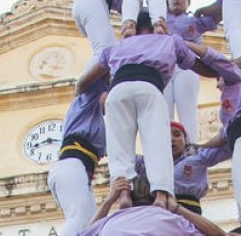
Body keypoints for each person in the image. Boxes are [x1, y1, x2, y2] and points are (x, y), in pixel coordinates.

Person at [75, 11, 197, 211]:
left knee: (119, 147)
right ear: (152, 28)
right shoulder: (167, 42)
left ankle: (124, 193)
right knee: (157, 143)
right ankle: (160, 195)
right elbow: (199, 65)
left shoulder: (117, 47)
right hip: (149, 88)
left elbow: (83, 83)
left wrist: (98, 90)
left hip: (118, 91)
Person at [187, 44, 241, 236]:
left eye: (218, 78)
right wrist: (200, 146)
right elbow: (223, 136)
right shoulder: (231, 106)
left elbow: (215, 58)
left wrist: (186, 44)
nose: (217, 84)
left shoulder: (238, 78)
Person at [48, 74, 109, 236]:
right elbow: (98, 68)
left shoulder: (100, 126)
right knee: (81, 218)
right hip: (71, 165)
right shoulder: (87, 101)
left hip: (77, 171)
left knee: (91, 225)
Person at [81, 176, 231, 236]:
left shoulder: (110, 222)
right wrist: (177, 208)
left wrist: (108, 201)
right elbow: (219, 235)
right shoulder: (171, 220)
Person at [137, 121, 230, 216]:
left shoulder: (198, 157)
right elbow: (124, 156)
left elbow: (231, 141)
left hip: (189, 212)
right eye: (165, 136)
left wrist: (205, 145)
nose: (171, 139)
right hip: (160, 212)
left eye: (176, 134)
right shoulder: (149, 164)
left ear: (185, 140)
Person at [162, 0, 217, 139]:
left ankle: (190, 145)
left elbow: (219, 13)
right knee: (163, 113)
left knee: (187, 111)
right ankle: (165, 147)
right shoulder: (159, 18)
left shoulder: (195, 21)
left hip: (187, 68)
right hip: (164, 68)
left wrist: (203, 11)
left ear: (188, 1)